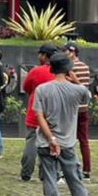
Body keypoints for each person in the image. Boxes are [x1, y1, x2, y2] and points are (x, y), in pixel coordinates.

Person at [33, 52, 96, 196]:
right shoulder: (77, 90)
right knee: (74, 178)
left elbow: (39, 116)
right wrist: (75, 80)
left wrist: (51, 138)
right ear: (68, 69)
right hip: (68, 143)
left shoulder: (42, 90)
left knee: (50, 180)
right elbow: (87, 96)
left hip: (46, 143)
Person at [20, 44, 58, 182]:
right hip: (52, 115)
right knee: (50, 143)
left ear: (44, 55)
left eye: (40, 54)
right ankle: (45, 173)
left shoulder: (36, 71)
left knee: (31, 143)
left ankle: (26, 173)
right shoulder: (58, 73)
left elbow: (26, 88)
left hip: (34, 113)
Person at [64, 43, 93, 179]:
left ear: (72, 52)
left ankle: (69, 167)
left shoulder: (69, 67)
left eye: (66, 51)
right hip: (84, 107)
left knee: (68, 140)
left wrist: (71, 79)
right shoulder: (86, 67)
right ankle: (87, 169)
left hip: (72, 108)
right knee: (84, 140)